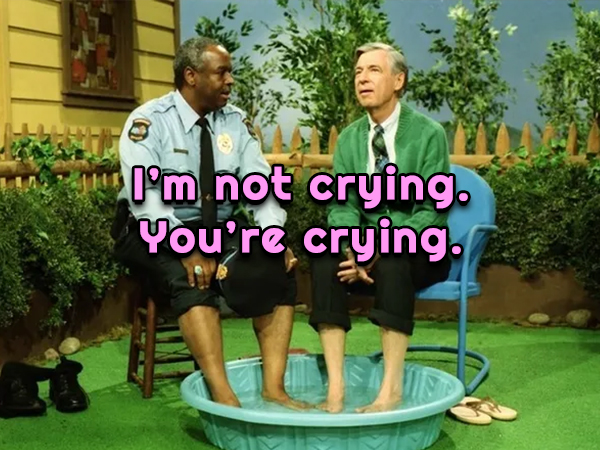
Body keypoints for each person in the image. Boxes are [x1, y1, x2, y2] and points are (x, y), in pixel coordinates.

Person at [112, 37, 306, 410]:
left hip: (215, 228)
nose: (230, 80)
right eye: (221, 73)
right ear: (191, 76)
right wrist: (184, 247)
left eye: (230, 72)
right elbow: (145, 199)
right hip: (151, 230)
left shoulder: (235, 122)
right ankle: (224, 398)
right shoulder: (149, 122)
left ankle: (274, 390)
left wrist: (272, 236)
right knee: (193, 277)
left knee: (278, 269)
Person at [308, 42, 452, 413]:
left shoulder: (429, 133)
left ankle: (391, 390)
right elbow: (343, 203)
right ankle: (336, 388)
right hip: (364, 247)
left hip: (419, 247)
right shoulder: (350, 138)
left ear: (398, 80)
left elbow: (433, 208)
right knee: (324, 257)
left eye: (373, 70)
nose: (362, 79)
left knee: (393, 259)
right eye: (358, 72)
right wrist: (351, 247)